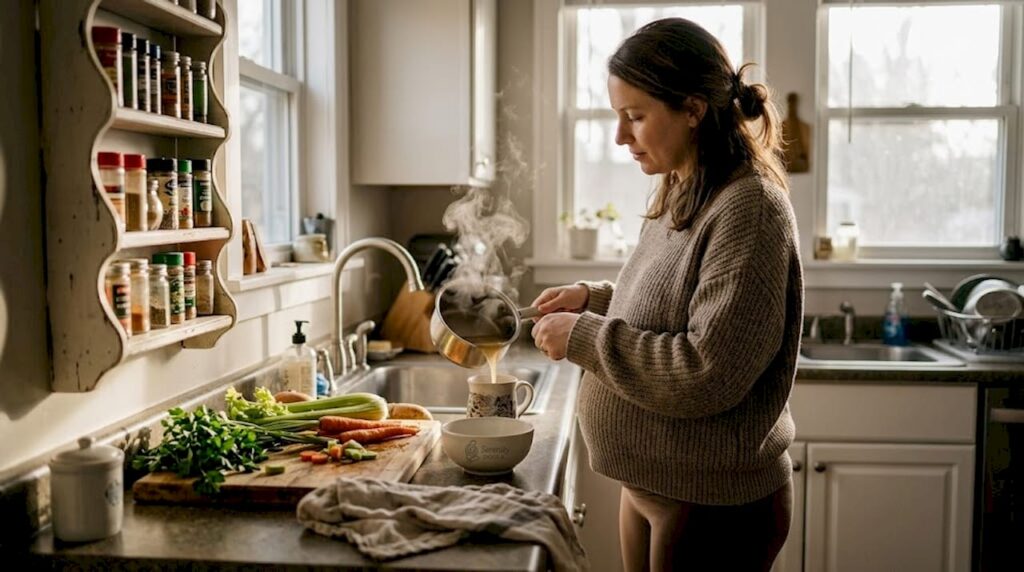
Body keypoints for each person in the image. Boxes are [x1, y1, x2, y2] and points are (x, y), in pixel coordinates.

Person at [530, 18, 803, 572]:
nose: (620, 137)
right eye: (617, 116)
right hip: (654, 484)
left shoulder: (748, 208)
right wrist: (593, 299)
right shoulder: (682, 185)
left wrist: (583, 337)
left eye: (635, 116)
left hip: (712, 501)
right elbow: (669, 304)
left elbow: (708, 369)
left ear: (693, 109)